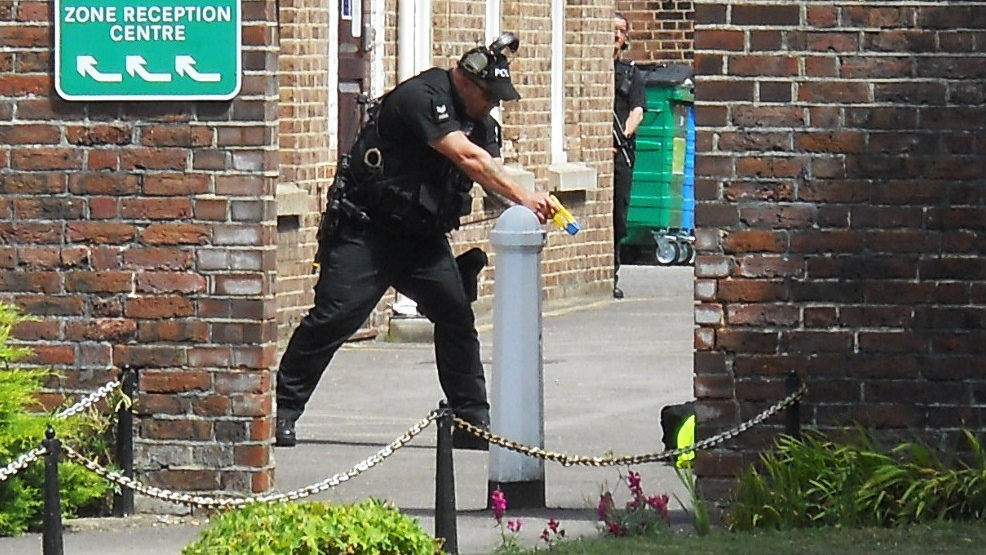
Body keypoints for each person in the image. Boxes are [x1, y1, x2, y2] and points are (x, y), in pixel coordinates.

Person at [275, 32, 555, 450]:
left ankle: (471, 422)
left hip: (421, 239)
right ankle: (280, 411)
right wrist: (524, 195)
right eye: (489, 96)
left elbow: (489, 173)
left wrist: (527, 211)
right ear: (464, 81)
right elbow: (466, 157)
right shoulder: (422, 97)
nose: (493, 105)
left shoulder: (482, 124)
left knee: (456, 315)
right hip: (367, 230)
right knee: (334, 318)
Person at [612, 13, 647, 299]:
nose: (615, 35)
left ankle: (613, 269)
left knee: (618, 214)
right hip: (604, 151)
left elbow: (638, 109)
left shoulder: (630, 73)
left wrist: (624, 134)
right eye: (611, 30)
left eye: (621, 31)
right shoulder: (595, 70)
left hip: (620, 153)